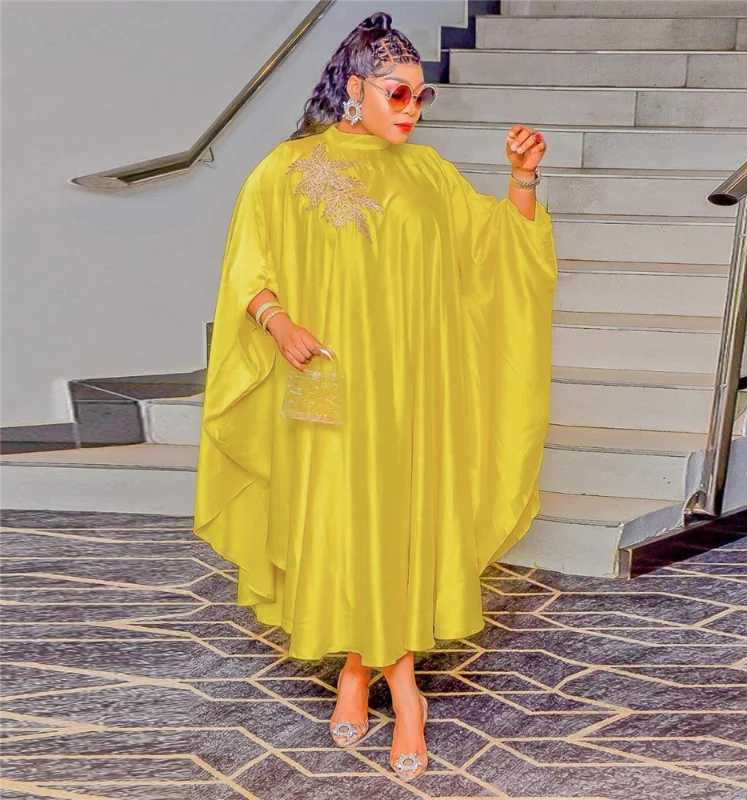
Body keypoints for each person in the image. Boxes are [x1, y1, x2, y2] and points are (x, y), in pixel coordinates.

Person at [193, 10, 558, 784]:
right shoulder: (287, 168)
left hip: (413, 390)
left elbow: (498, 251)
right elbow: (247, 267)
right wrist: (280, 324)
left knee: (395, 525)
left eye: (421, 97)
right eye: (397, 93)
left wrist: (523, 178)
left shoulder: (428, 174)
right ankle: (403, 691)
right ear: (353, 87)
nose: (411, 109)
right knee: (348, 524)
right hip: (328, 384)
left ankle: (363, 674)